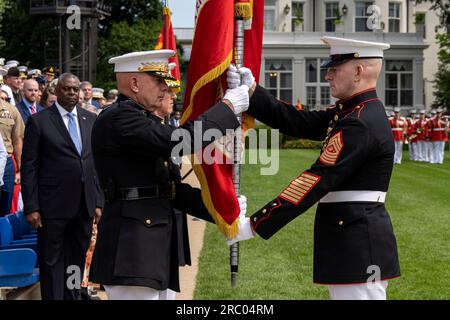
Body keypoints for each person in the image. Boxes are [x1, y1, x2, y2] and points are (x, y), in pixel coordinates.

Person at [228, 36, 400, 300]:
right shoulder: (352, 113)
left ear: (358, 71)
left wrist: (253, 225)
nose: (328, 76)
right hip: (351, 235)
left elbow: (317, 179)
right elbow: (297, 121)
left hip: (357, 242)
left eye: (334, 69)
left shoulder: (359, 121)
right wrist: (252, 91)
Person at [89, 49, 248, 300]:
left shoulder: (144, 119)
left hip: (150, 244)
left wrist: (220, 210)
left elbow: (170, 190)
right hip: (132, 248)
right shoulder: (120, 118)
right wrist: (227, 107)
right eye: (159, 81)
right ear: (134, 83)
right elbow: (181, 140)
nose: (167, 89)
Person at [21, 73, 104, 300]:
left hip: (84, 204)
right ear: (56, 91)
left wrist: (98, 200)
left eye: (75, 89)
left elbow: (93, 164)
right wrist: (32, 206)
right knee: (52, 261)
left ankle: (73, 296)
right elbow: (30, 167)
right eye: (67, 89)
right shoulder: (40, 121)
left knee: (76, 258)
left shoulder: (90, 120)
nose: (71, 93)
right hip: (52, 207)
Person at [0, 88, 25, 217]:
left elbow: (18, 140)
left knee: (5, 205)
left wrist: (20, 169)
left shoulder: (10, 110)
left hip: (7, 162)